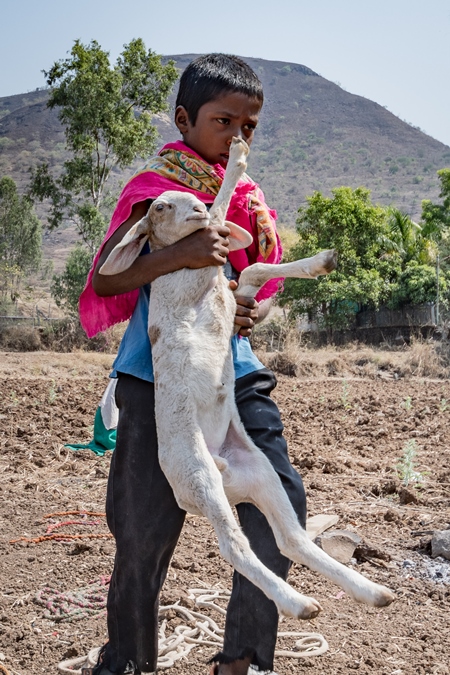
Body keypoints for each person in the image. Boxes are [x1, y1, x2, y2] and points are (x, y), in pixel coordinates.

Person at [79, 53, 307, 675]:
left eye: (249, 126)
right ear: (185, 119)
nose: (238, 137)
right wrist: (175, 255)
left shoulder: (247, 203)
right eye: (223, 121)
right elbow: (107, 278)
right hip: (157, 380)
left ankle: (242, 658)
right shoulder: (157, 192)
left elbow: (242, 284)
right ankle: (127, 661)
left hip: (232, 374)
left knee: (278, 500)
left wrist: (244, 307)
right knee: (143, 537)